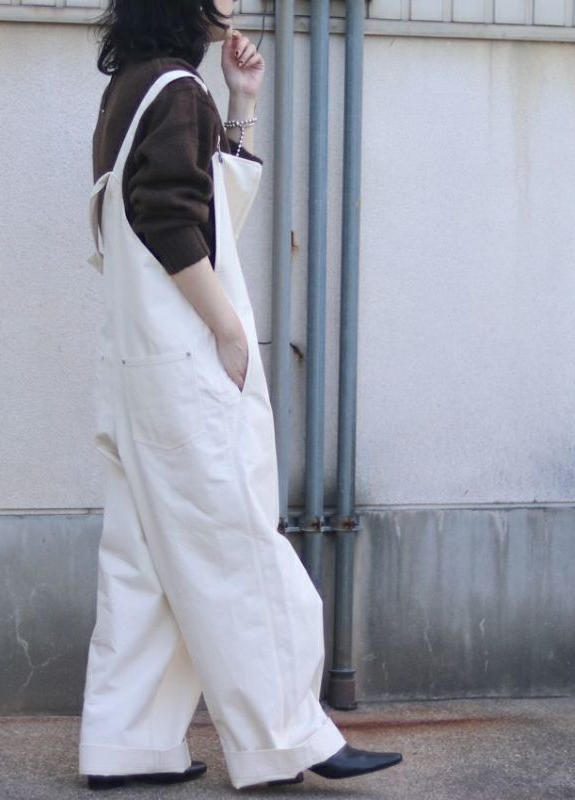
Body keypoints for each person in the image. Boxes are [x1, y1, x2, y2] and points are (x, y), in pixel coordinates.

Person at [80, 0, 403, 790]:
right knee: (238, 550)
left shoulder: (134, 88)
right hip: (183, 369)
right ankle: (287, 740)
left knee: (146, 565)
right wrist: (228, 330)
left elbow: (198, 202)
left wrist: (241, 103)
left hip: (135, 369)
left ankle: (127, 745)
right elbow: (169, 218)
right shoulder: (174, 92)